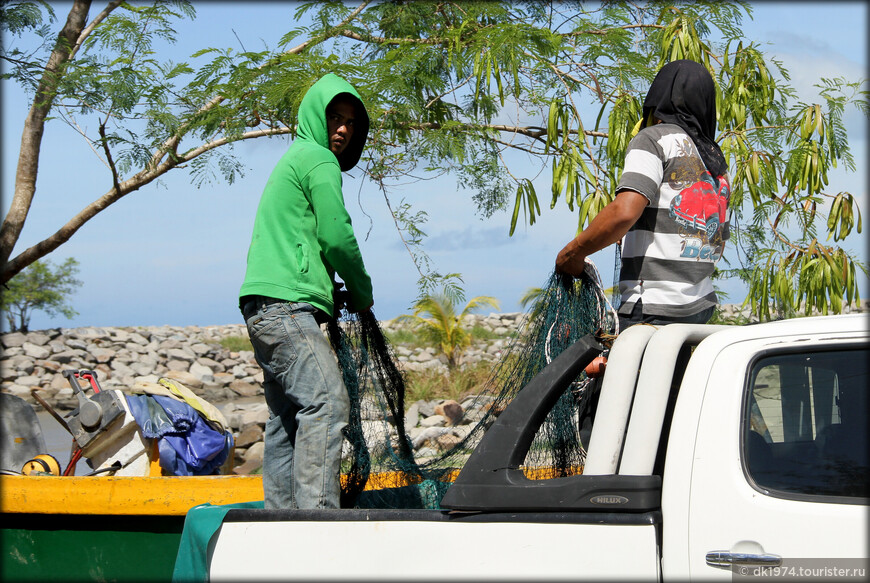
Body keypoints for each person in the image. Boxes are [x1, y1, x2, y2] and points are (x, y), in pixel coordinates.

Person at [239, 73, 373, 509]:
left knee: (285, 420)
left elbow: (301, 240)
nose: (342, 129)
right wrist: (362, 290)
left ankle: (281, 520)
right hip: (285, 309)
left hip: (261, 308)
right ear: (316, 116)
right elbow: (337, 236)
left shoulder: (294, 158)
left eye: (351, 123)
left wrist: (326, 290)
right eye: (335, 117)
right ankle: (316, 523)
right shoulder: (317, 159)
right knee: (329, 403)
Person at [556, 59, 731, 333]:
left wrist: (573, 253)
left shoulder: (653, 139)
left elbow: (625, 211)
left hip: (652, 307)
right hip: (700, 307)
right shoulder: (714, 162)